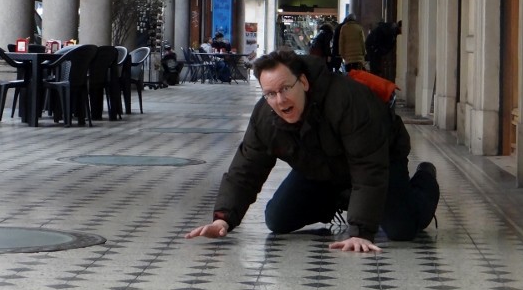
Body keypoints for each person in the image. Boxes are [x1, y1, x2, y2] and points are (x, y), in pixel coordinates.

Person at [184, 48, 440, 253]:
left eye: (285, 88)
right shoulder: (265, 117)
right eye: (270, 94)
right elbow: (246, 168)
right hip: (321, 169)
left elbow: (368, 166)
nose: (280, 100)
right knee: (278, 219)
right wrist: (223, 218)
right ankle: (343, 198)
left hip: (381, 158)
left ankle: (426, 176)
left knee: (402, 229)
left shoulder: (346, 100)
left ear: (304, 82)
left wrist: (360, 231)